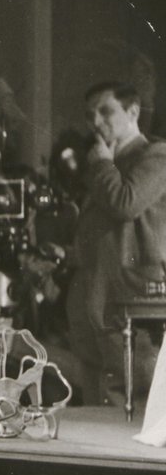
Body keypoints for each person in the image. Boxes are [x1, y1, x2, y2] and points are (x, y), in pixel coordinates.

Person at [66, 80, 166, 405]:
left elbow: (125, 202)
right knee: (103, 403)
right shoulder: (105, 163)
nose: (96, 122)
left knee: (133, 401)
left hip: (132, 301)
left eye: (106, 111)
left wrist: (101, 164)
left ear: (133, 111)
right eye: (89, 115)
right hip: (98, 298)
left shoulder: (156, 155)